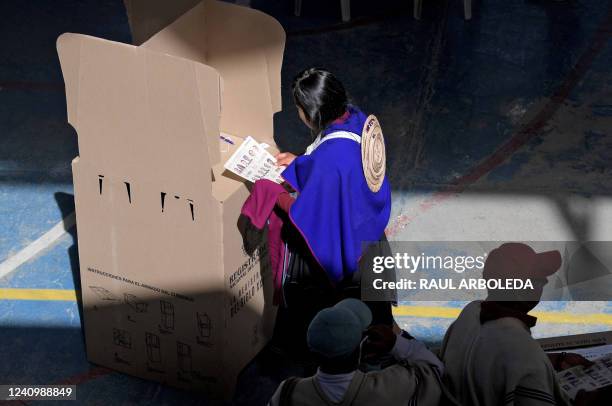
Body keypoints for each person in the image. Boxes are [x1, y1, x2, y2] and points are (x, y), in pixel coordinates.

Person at [264, 68, 395, 350]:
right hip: (370, 238)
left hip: (344, 252)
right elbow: (337, 169)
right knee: (377, 318)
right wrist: (299, 161)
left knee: (336, 322)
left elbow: (310, 214)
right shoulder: (356, 118)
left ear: (311, 114)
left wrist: (274, 194)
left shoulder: (328, 161)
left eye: (299, 108)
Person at [439, 242, 608, 406]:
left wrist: (555, 359)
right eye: (539, 279)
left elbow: (494, 363)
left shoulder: (469, 314)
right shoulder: (522, 350)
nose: (545, 282)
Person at [267, 298, 444, 406]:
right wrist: (396, 342)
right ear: (363, 351)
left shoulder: (288, 393)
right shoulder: (393, 385)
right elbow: (436, 371)